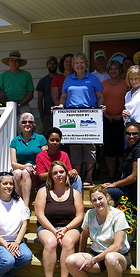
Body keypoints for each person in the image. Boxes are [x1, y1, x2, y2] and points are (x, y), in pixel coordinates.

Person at [65, 185, 131, 277]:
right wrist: (82, 254)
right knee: (70, 260)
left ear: (107, 197)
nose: (98, 202)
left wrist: (94, 260)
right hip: (96, 254)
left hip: (119, 256)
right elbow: (83, 236)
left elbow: (117, 245)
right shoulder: (90, 214)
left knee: (111, 258)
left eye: (100, 198)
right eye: (94, 200)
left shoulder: (118, 215)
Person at [35, 161, 84, 277]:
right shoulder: (43, 191)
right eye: (55, 173)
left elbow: (79, 216)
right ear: (51, 175)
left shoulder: (75, 193)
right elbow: (40, 215)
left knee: (68, 242)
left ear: (66, 173)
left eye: (61, 172)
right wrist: (54, 231)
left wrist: (66, 229)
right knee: (50, 243)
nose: (59, 175)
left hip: (69, 227)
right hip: (47, 227)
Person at [55, 52, 105, 185]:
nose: (79, 65)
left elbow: (100, 96)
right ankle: (76, 177)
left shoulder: (93, 79)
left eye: (82, 62)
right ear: (73, 65)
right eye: (76, 63)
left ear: (86, 64)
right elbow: (64, 97)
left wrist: (100, 106)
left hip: (90, 116)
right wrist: (60, 106)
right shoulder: (68, 80)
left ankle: (89, 178)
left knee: (90, 147)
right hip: (72, 116)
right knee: (75, 148)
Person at [10, 113, 47, 206]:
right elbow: (13, 163)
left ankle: (25, 206)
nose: (27, 124)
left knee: (24, 173)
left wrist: (34, 166)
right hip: (22, 168)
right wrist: (25, 167)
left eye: (30, 122)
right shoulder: (15, 141)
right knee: (17, 173)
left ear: (33, 124)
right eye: (24, 122)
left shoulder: (40, 138)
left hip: (37, 169)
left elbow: (45, 158)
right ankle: (19, 203)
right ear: (20, 125)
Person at [102, 121, 140, 205]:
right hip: (125, 187)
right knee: (101, 189)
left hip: (133, 190)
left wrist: (114, 184)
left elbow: (134, 177)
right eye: (128, 133)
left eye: (134, 133)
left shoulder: (138, 150)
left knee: (105, 192)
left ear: (139, 135)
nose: (131, 136)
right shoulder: (129, 149)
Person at [35, 127, 83, 194]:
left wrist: (73, 171)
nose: (55, 142)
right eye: (52, 140)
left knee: (77, 178)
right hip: (47, 184)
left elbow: (69, 172)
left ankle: (77, 200)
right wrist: (56, 173)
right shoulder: (40, 156)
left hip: (62, 182)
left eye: (57, 140)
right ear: (47, 141)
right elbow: (41, 176)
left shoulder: (64, 155)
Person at [101, 60, 127, 181]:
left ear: (120, 70)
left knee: (121, 148)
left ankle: (122, 174)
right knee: (109, 148)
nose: (113, 71)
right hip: (107, 119)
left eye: (115, 69)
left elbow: (130, 101)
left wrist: (121, 115)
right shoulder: (104, 84)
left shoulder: (125, 84)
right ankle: (111, 175)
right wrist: (106, 114)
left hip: (122, 119)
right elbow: (100, 100)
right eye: (111, 69)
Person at [36, 56, 58, 134]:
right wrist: (42, 116)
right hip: (47, 115)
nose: (52, 65)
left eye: (54, 63)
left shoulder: (61, 79)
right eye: (50, 63)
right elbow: (39, 100)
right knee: (46, 137)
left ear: (57, 65)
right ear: (47, 65)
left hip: (60, 113)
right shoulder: (43, 81)